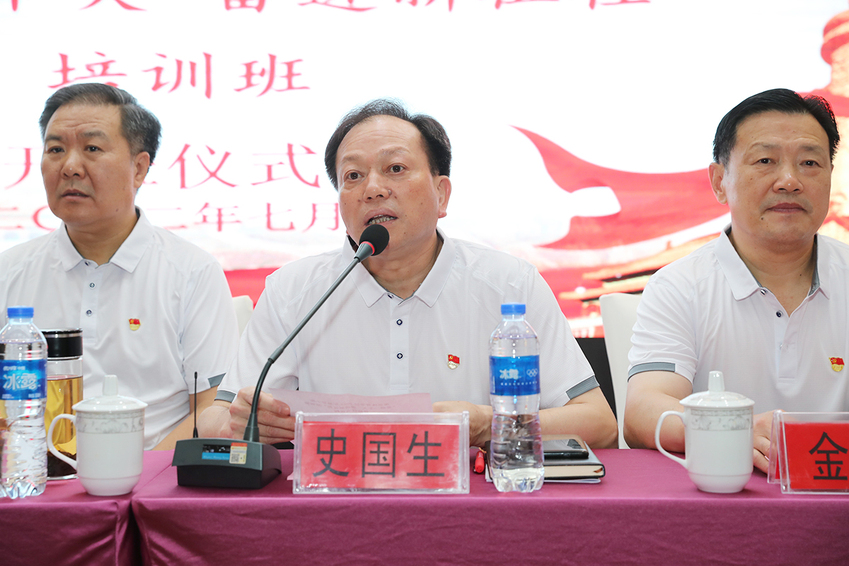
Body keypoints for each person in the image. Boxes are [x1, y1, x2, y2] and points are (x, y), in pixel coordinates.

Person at [199, 99, 617, 448]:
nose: (372, 189)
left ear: (441, 193)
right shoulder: (293, 290)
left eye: (395, 169)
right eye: (353, 176)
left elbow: (598, 423)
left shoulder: (510, 283)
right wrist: (249, 424)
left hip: (475, 509)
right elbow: (218, 420)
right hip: (334, 507)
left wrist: (490, 425)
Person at [0, 83, 239, 450]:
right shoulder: (10, 271)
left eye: (92, 149)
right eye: (56, 149)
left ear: (139, 168)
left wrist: (133, 474)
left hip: (155, 475)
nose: (70, 167)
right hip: (33, 473)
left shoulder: (191, 272)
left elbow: (212, 407)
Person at [624, 88, 846, 472]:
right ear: (719, 181)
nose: (789, 181)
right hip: (722, 489)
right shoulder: (680, 286)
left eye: (810, 162)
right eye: (765, 160)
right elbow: (643, 411)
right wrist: (735, 429)